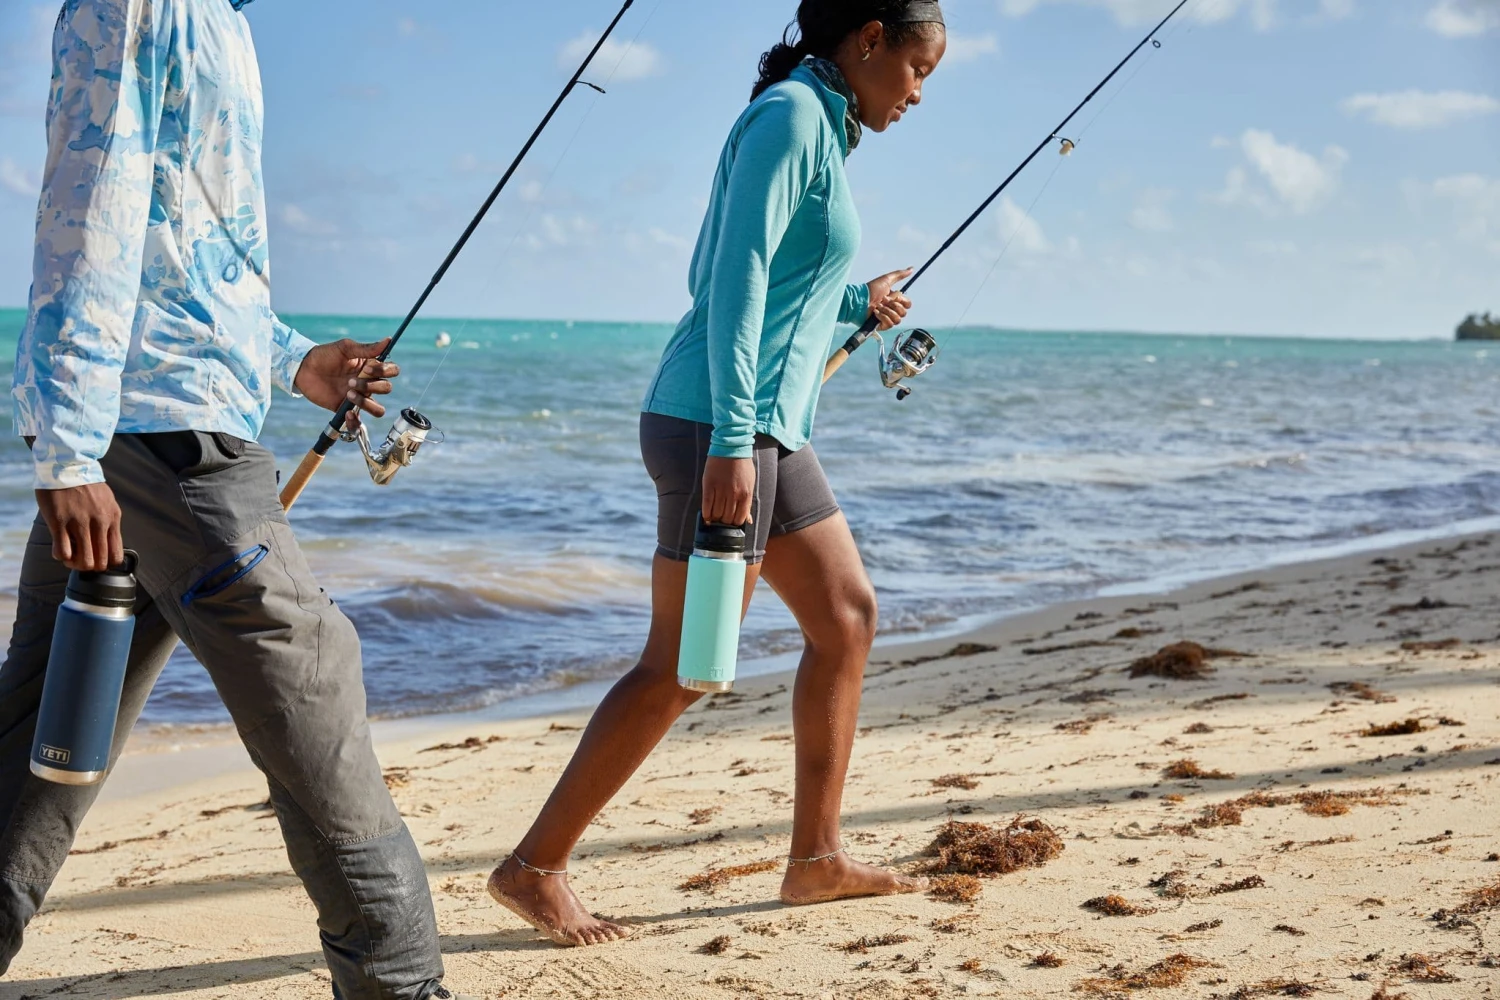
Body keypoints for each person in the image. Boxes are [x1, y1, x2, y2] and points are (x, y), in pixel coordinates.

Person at [0, 2, 470, 997]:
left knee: (45, 740)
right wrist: (70, 450)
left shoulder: (216, 18)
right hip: (171, 454)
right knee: (316, 698)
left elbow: (189, 254)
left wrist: (296, 359)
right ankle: (403, 985)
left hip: (149, 432)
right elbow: (89, 214)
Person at [488, 0, 949, 948]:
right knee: (683, 664)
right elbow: (729, 281)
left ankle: (815, 858)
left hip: (767, 429)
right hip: (718, 425)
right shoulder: (788, 117)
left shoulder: (822, 125)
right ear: (868, 40)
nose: (916, 94)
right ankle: (533, 868)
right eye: (916, 69)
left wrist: (854, 300)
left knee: (847, 617)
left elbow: (780, 285)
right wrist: (733, 443)